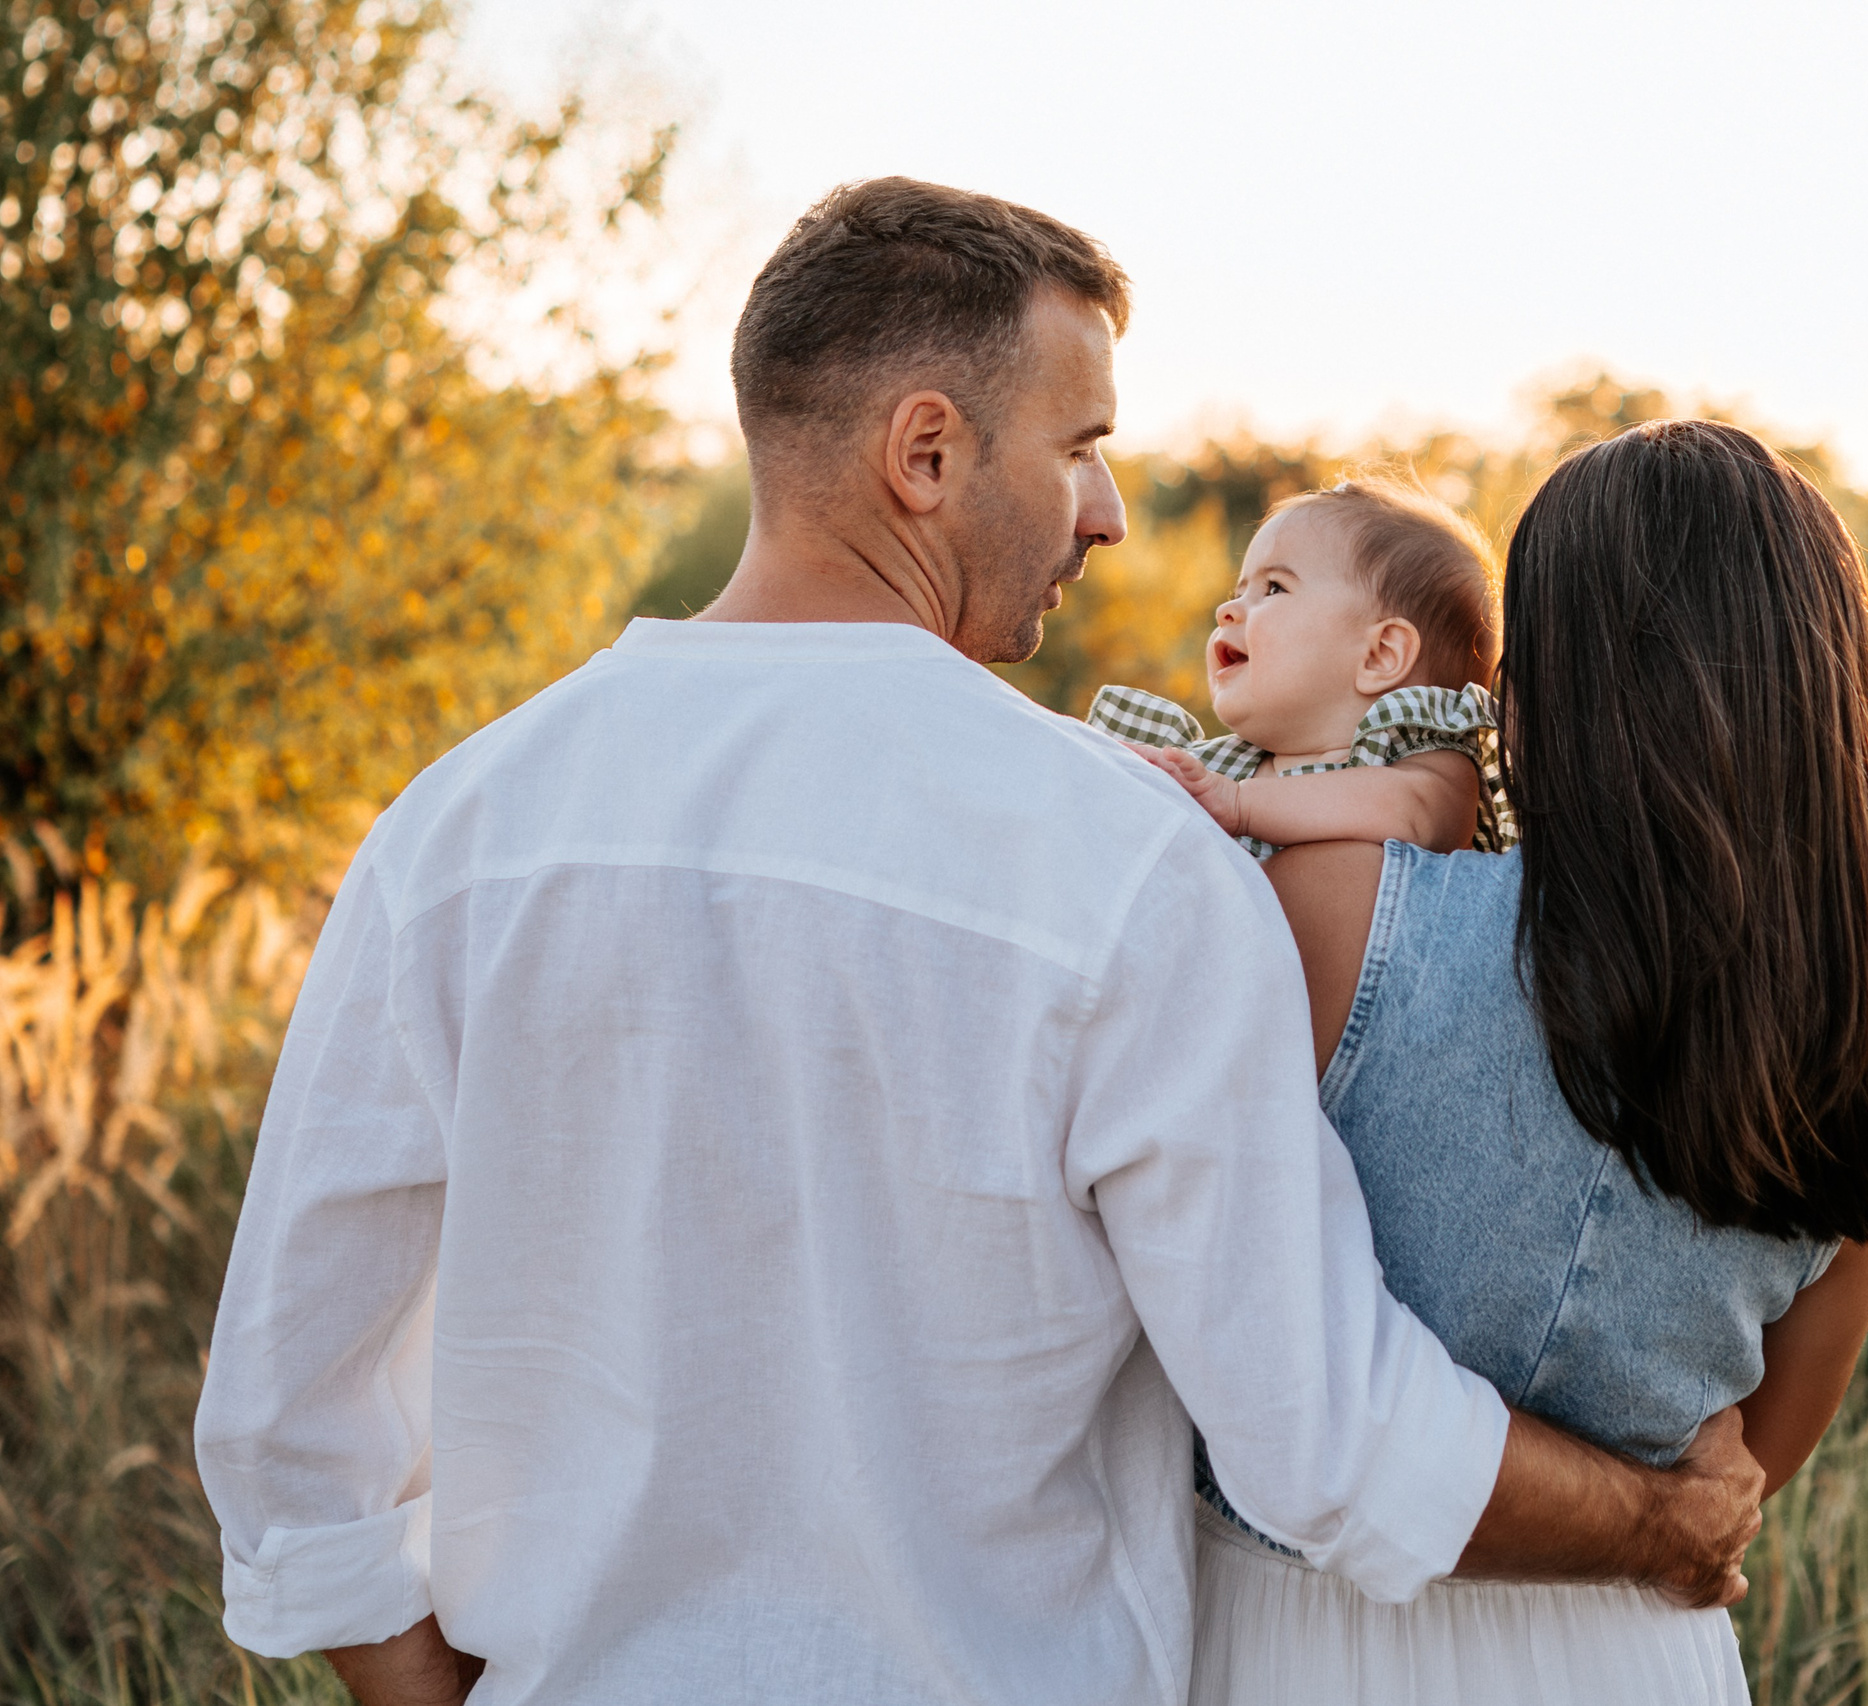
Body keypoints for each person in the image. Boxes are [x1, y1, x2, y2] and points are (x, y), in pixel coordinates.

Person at [192, 179, 1768, 1706]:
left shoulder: (455, 835)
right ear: (927, 453)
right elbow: (1324, 1436)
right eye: (1080, 445)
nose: (1112, 509)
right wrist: (1664, 1523)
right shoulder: (1129, 865)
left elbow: (285, 1428)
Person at [1184, 420, 1868, 1705]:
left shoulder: (1340, 905)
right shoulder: (1865, 1024)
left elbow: (1216, 1324)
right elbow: (1753, 1457)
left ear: (1552, 681)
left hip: (1296, 1630)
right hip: (1636, 1644)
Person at [1093, 474, 1509, 858]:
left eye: (1274, 587)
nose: (1227, 610)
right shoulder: (1206, 769)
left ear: (1381, 654)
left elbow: (1415, 814)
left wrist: (1240, 804)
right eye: (1239, 590)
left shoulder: (1421, 756)